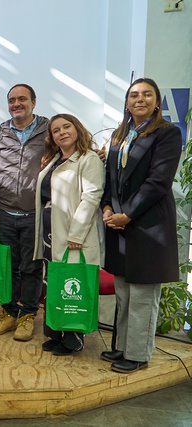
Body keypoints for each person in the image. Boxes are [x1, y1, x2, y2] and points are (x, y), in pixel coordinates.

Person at [100, 78, 182, 373]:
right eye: (134, 95)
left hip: (148, 226)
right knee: (124, 291)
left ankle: (138, 355)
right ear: (126, 102)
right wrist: (108, 207)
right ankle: (122, 346)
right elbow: (110, 177)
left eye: (147, 94)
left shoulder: (167, 134)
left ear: (157, 102)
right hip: (120, 225)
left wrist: (128, 214)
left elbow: (158, 181)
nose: (140, 99)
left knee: (143, 296)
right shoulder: (119, 135)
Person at [33, 114, 104, 355]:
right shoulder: (53, 159)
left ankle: (73, 338)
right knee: (53, 282)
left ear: (78, 129)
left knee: (70, 282)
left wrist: (77, 234)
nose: (62, 132)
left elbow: (91, 197)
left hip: (72, 234)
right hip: (50, 233)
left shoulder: (88, 159)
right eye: (56, 130)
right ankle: (55, 331)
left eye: (66, 127)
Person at [0, 83, 49, 341]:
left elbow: (70, 150)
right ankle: (8, 314)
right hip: (4, 213)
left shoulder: (47, 130)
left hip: (35, 213)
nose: (16, 104)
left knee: (31, 267)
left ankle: (27, 316)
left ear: (34, 102)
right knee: (7, 267)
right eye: (12, 100)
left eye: (22, 99)